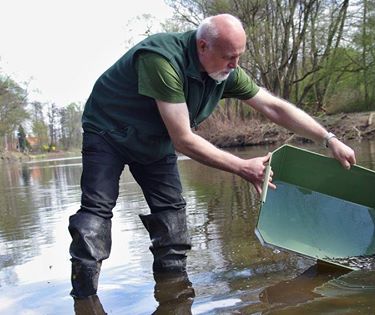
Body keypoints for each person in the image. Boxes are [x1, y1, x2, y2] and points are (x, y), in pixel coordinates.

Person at [68, 13, 356, 299]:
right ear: (202, 46)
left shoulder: (224, 71)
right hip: (108, 132)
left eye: (239, 56)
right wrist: (243, 167)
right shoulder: (161, 60)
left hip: (156, 139)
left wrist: (328, 138)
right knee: (97, 212)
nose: (235, 65)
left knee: (172, 220)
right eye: (229, 57)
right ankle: (84, 297)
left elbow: (274, 108)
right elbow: (183, 140)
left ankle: (174, 296)